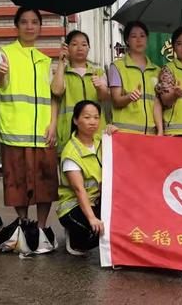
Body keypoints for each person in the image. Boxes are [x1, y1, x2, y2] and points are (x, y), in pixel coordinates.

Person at [0, 7, 58, 251]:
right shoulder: (5, 54)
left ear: (40, 27)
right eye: (24, 22)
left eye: (34, 22)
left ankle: (41, 229)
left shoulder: (45, 60)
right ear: (16, 26)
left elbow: (53, 96)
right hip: (14, 131)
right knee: (17, 183)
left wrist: (52, 124)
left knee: (45, 183)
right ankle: (23, 225)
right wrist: (0, 75)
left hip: (43, 133)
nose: (29, 26)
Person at [57, 100, 116, 256]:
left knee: (116, 226)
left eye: (96, 117)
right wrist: (92, 219)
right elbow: (79, 190)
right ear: (76, 120)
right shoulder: (71, 152)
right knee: (96, 232)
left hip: (97, 200)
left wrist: (115, 132)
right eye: (87, 117)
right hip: (73, 206)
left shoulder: (101, 140)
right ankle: (74, 238)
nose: (93, 122)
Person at [51, 30, 109, 152]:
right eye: (74, 44)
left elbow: (104, 97)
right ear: (67, 48)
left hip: (96, 132)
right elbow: (56, 91)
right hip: (69, 131)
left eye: (84, 44)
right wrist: (61, 62)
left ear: (89, 48)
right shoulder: (62, 73)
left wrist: (100, 87)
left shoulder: (98, 72)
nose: (80, 48)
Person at [110, 21, 163, 135]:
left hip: (150, 135)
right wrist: (129, 97)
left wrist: (160, 130)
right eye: (134, 36)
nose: (139, 40)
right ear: (127, 41)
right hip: (125, 134)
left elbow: (156, 102)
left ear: (147, 39)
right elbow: (116, 101)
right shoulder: (118, 67)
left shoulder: (156, 70)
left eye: (142, 36)